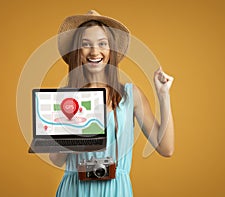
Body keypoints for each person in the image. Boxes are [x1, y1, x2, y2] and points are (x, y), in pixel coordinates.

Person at [49, 10, 174, 197]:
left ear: (111, 50)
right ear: (77, 51)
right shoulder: (66, 99)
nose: (94, 51)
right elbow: (56, 160)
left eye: (102, 44)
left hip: (116, 190)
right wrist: (73, 129)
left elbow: (166, 148)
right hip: (74, 190)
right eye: (86, 44)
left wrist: (163, 95)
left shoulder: (131, 95)